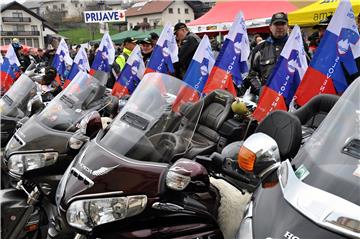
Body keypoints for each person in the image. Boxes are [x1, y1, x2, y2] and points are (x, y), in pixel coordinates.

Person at [244, 12, 291, 95]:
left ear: (288, 26)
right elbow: (251, 75)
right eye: (276, 24)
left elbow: (306, 72)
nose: (280, 27)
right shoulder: (259, 49)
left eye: (283, 24)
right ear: (270, 27)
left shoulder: (297, 48)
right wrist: (261, 90)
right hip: (268, 99)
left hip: (292, 100)